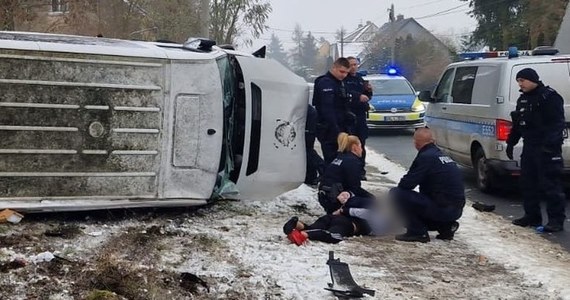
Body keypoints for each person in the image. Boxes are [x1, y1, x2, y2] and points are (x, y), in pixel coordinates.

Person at [506, 68, 566, 232]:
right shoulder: (523, 99)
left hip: (547, 148)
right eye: (518, 81)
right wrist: (511, 142)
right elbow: (518, 124)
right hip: (530, 147)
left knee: (550, 185)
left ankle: (556, 220)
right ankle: (531, 216)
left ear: (533, 80)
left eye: (522, 80)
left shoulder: (549, 97)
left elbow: (557, 124)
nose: (520, 84)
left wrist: (550, 145)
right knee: (527, 183)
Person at [390, 128, 465, 243]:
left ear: (416, 143)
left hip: (442, 208)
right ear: (433, 141)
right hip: (456, 209)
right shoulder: (442, 155)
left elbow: (406, 185)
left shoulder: (425, 157)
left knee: (397, 194)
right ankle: (445, 227)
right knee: (424, 202)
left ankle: (418, 232)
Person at [283, 191, 387, 245]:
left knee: (313, 227)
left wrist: (342, 210)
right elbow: (366, 214)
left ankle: (296, 224)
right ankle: (304, 235)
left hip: (332, 217)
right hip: (346, 224)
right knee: (332, 236)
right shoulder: (374, 214)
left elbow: (350, 201)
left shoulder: (356, 200)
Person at [318, 132, 374, 214]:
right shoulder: (353, 162)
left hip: (325, 196)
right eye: (361, 146)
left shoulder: (339, 158)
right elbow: (355, 187)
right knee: (371, 203)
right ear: (354, 147)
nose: (362, 149)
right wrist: (371, 198)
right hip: (335, 199)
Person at [312, 57, 352, 164]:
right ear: (334, 68)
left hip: (341, 126)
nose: (343, 75)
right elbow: (327, 109)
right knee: (332, 160)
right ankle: (330, 179)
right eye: (341, 71)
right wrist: (336, 130)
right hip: (329, 129)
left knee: (341, 160)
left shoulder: (340, 83)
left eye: (346, 73)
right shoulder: (325, 83)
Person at [344, 57, 372, 180]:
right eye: (351, 65)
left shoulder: (360, 79)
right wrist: (357, 96)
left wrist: (369, 91)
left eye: (356, 64)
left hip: (361, 116)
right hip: (349, 115)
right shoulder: (344, 79)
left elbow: (366, 97)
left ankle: (361, 171)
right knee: (349, 144)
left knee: (361, 144)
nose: (354, 67)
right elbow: (345, 94)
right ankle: (350, 170)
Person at [304, 104, 325, 185]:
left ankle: (322, 169)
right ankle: (311, 176)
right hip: (309, 128)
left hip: (309, 129)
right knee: (308, 152)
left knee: (308, 152)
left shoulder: (307, 109)